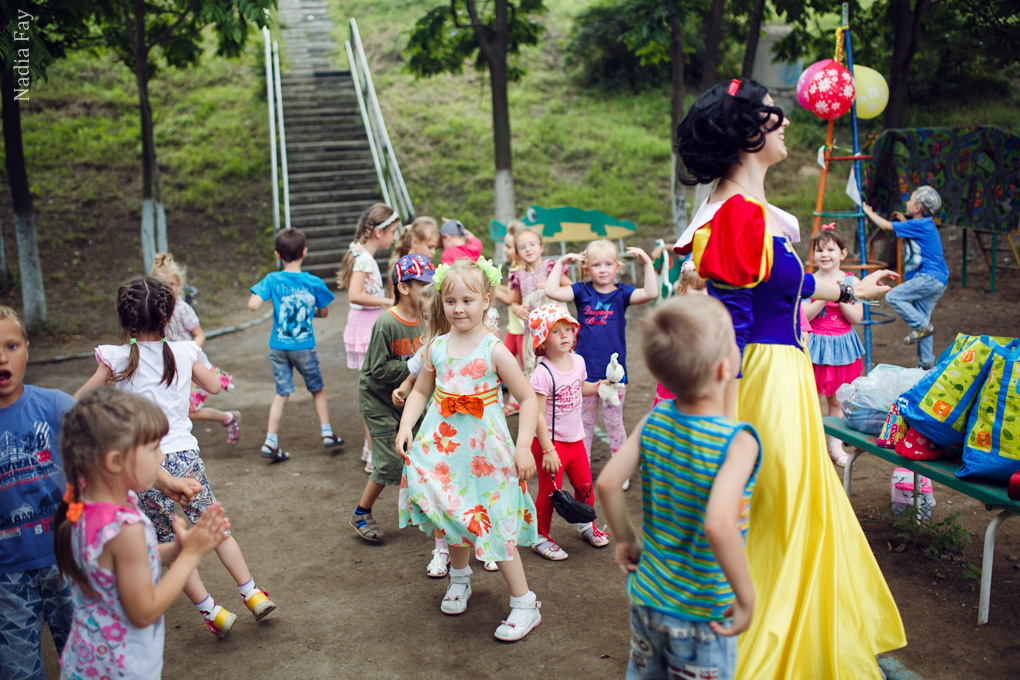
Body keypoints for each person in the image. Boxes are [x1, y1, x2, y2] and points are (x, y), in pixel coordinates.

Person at [673, 77, 905, 678]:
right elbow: (731, 325)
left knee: (794, 517)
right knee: (776, 520)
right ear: (750, 133)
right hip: (762, 384)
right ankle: (757, 656)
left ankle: (794, 644)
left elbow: (790, 285)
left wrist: (854, 287)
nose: (788, 123)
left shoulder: (750, 214)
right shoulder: (735, 216)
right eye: (777, 115)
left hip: (785, 378)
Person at [78, 277, 276, 638]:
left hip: (142, 466)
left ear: (126, 320)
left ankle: (212, 612)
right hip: (184, 456)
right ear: (169, 314)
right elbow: (215, 386)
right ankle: (252, 593)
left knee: (169, 540)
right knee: (215, 525)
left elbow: (81, 399)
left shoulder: (118, 357)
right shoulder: (185, 351)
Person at [596, 295, 761, 680]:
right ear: (726, 367)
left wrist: (626, 542)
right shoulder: (738, 441)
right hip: (703, 613)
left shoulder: (655, 419)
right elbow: (719, 524)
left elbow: (607, 483)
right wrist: (746, 596)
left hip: (648, 597)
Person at [395, 258, 543, 642]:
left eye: (467, 300)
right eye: (450, 301)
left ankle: (525, 603)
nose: (458, 309)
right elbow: (422, 391)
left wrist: (525, 446)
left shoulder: (494, 350)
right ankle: (460, 580)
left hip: (486, 452)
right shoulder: (437, 347)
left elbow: (527, 398)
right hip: (444, 451)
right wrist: (406, 425)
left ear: (486, 300)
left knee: (494, 519)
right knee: (450, 513)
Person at [55, 387, 230, 680]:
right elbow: (144, 611)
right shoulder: (125, 529)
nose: (161, 457)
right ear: (114, 462)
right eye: (152, 448)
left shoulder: (84, 504)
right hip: (120, 668)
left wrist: (175, 549)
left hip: (87, 661)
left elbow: (121, 565)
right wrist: (190, 555)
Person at [0, 306, 75, 679]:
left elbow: (112, 447)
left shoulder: (54, 405)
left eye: (11, 345)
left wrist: (165, 480)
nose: (2, 357)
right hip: (6, 578)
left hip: (67, 560)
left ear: (27, 348)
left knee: (88, 664)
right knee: (17, 672)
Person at [545, 239, 657, 488]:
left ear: (618, 267)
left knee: (615, 422)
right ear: (587, 269)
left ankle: (621, 470)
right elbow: (552, 292)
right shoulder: (582, 291)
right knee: (583, 423)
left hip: (614, 375)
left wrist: (648, 263)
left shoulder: (622, 293)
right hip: (585, 374)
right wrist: (560, 264)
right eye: (596, 265)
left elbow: (651, 293)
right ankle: (580, 470)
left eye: (608, 264)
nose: (603, 269)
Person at [349, 255, 433, 542]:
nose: (430, 288)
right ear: (404, 287)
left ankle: (427, 510)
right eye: (423, 283)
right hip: (377, 401)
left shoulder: (428, 318)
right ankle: (361, 512)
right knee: (390, 463)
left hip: (407, 400)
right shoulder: (387, 322)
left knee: (420, 454)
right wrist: (414, 366)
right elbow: (376, 369)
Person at [250, 228, 340, 462]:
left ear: (277, 255)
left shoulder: (272, 279)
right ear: (305, 252)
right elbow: (325, 312)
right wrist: (310, 313)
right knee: (317, 389)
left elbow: (252, 305)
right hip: (303, 347)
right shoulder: (313, 282)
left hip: (278, 347)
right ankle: (327, 433)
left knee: (282, 393)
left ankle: (270, 440)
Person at [526, 304, 607, 561]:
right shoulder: (542, 374)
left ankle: (586, 524)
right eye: (555, 331)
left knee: (585, 486)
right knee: (552, 494)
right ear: (541, 340)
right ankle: (539, 536)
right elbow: (537, 414)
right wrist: (548, 450)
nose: (564, 335)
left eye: (568, 329)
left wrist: (599, 387)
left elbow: (579, 387)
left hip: (576, 440)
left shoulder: (578, 360)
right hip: (551, 444)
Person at [151, 252, 240, 445]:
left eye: (171, 285)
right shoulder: (154, 310)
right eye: (162, 285)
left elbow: (200, 335)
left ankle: (227, 418)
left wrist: (188, 354)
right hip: (170, 367)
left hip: (191, 366)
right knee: (176, 409)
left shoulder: (182, 309)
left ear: (179, 285)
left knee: (190, 412)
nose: (167, 289)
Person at [337, 204, 401, 471]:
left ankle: (370, 450)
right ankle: (373, 453)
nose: (395, 238)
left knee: (373, 389)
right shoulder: (364, 259)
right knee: (373, 392)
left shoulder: (363, 254)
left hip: (366, 325)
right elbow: (354, 295)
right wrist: (388, 301)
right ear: (378, 232)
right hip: (367, 327)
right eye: (393, 232)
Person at [863, 185, 948, 369]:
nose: (907, 202)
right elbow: (908, 230)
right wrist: (903, 221)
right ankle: (926, 364)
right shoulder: (923, 224)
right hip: (939, 279)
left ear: (917, 208)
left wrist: (867, 211)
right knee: (924, 316)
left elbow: (885, 225)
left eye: (911, 200)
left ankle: (921, 326)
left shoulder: (920, 224)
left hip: (929, 277)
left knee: (894, 296)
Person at [803, 226, 864, 466]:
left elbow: (856, 317)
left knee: (836, 400)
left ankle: (835, 445)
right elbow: (805, 315)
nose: (824, 254)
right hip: (814, 345)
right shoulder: (809, 281)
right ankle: (811, 444)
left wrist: (841, 293)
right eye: (819, 250)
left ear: (843, 253)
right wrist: (825, 294)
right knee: (808, 397)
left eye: (830, 249)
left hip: (842, 347)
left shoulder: (852, 281)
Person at [508, 227, 572, 377]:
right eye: (522, 247)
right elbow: (514, 301)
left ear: (541, 247)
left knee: (560, 362)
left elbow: (572, 288)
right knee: (537, 367)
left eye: (532, 244)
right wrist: (516, 308)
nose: (528, 249)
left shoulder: (552, 268)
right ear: (517, 253)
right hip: (534, 332)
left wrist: (552, 285)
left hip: (556, 327)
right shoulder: (519, 276)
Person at [652, 259, 706, 407]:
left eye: (709, 289)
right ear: (682, 290)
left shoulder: (712, 320)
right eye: (697, 289)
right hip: (674, 383)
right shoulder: (674, 318)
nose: (704, 294)